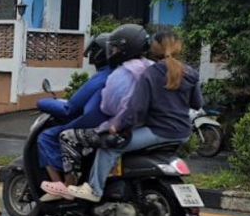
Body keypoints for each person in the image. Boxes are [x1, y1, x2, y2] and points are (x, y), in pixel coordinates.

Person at [68, 30, 203, 202]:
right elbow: (197, 103)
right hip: (183, 132)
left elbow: (136, 108)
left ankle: (94, 191)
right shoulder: (190, 72)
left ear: (155, 48)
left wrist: (117, 126)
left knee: (109, 146)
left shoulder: (151, 73)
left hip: (159, 131)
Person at [43, 24, 154, 199]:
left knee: (67, 136)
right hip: (148, 127)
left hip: (121, 127)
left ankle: (70, 186)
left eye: (115, 48)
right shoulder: (153, 68)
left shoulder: (119, 74)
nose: (113, 52)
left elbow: (106, 106)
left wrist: (42, 102)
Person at [36, 34, 112, 200]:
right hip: (115, 125)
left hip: (93, 126)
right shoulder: (125, 74)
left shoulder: (101, 77)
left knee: (47, 137)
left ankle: (64, 186)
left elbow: (69, 108)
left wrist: (42, 102)